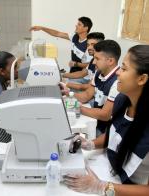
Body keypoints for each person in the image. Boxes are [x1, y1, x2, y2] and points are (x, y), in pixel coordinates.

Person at [65, 45, 149, 196]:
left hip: (126, 189)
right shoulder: (122, 101)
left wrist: (103, 188)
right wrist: (90, 143)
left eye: (123, 69)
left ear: (142, 79)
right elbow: (114, 134)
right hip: (109, 169)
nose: (117, 72)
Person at [66, 40, 121, 135]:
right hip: (96, 121)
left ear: (110, 61)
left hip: (106, 130)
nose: (94, 62)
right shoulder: (99, 72)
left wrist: (76, 107)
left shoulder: (117, 82)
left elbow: (105, 115)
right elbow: (86, 95)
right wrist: (66, 93)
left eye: (97, 59)